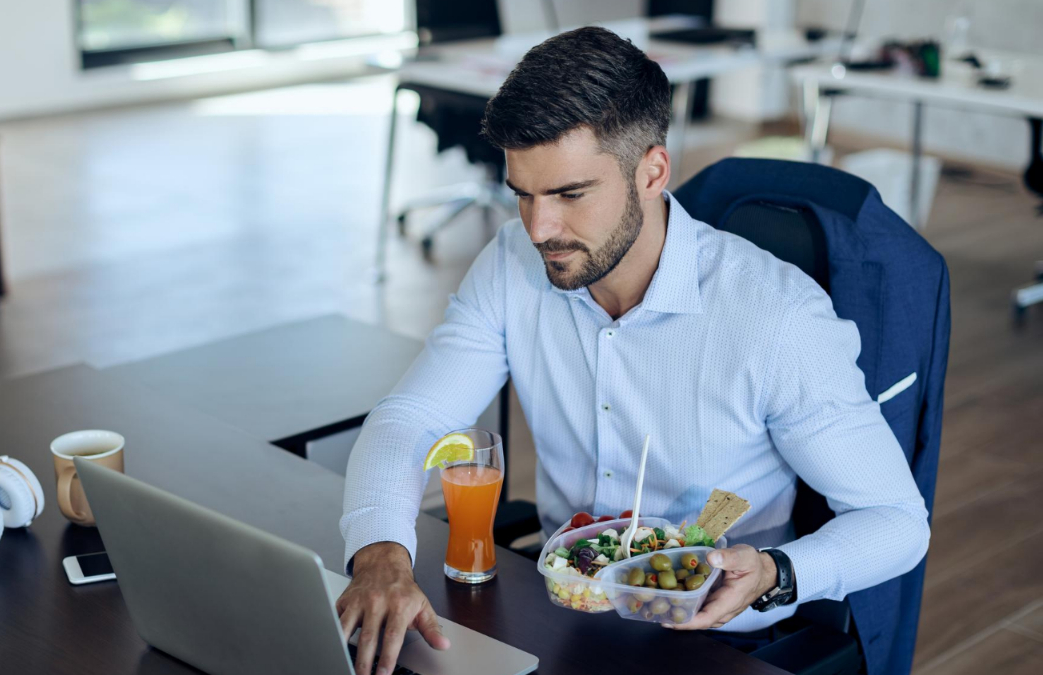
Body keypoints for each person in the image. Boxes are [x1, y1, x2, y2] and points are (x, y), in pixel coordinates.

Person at [336, 26, 929, 675]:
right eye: (523, 193)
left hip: (718, 635)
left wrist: (780, 571)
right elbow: (411, 418)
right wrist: (382, 554)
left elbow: (897, 520)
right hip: (566, 609)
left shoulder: (777, 317)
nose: (539, 229)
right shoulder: (511, 263)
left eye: (569, 194)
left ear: (652, 170)